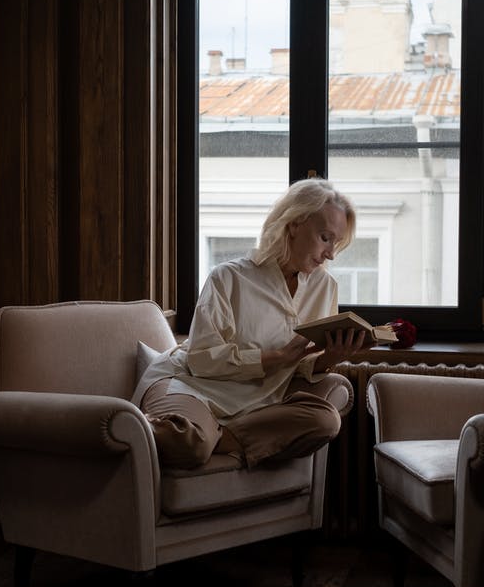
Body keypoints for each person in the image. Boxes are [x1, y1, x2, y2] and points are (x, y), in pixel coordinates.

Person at [133, 178, 369, 469]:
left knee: (325, 420)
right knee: (188, 443)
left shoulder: (325, 287)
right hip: (191, 386)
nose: (331, 253)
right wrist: (277, 357)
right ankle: (157, 430)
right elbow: (200, 360)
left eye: (337, 242)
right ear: (294, 224)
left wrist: (328, 359)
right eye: (325, 237)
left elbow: (302, 365)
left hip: (256, 407)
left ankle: (212, 439)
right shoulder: (228, 278)